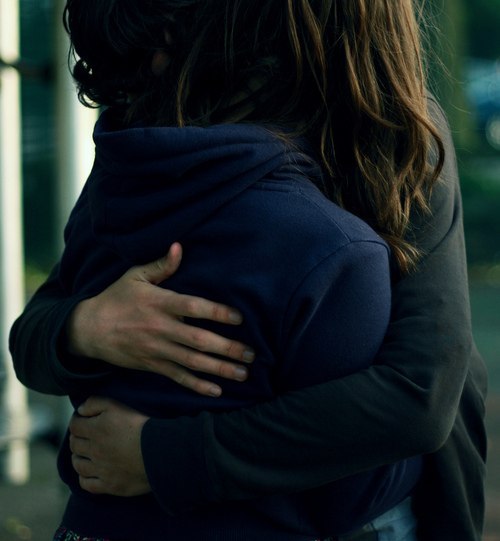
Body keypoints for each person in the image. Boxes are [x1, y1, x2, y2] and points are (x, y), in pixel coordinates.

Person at [9, 1, 488, 540]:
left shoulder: (395, 133)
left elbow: (419, 394)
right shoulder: (171, 114)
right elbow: (32, 335)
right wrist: (85, 328)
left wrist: (161, 456)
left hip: (376, 514)